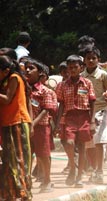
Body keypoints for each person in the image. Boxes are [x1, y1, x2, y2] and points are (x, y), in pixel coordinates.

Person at [55, 55, 96, 187]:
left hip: (84, 117)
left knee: (82, 146)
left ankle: (79, 176)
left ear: (81, 68)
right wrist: (57, 123)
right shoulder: (62, 85)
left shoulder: (87, 83)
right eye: (70, 67)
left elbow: (92, 102)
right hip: (70, 117)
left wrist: (92, 121)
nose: (72, 70)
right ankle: (72, 167)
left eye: (75, 67)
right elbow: (61, 104)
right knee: (69, 142)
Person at [0, 55, 32, 200]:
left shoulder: (14, 78)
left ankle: (24, 193)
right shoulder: (5, 79)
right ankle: (11, 194)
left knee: (19, 160)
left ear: (5, 70)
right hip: (7, 123)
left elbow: (7, 100)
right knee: (8, 160)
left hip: (17, 122)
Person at [81, 45, 107, 184]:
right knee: (88, 143)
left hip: (100, 110)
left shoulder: (103, 74)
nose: (91, 61)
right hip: (85, 111)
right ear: (84, 60)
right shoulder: (81, 76)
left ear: (98, 60)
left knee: (99, 141)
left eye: (94, 58)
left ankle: (100, 170)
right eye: (88, 58)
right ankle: (94, 169)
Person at [24, 58, 57, 193]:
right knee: (27, 154)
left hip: (41, 127)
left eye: (31, 68)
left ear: (40, 73)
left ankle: (47, 180)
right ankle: (27, 181)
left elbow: (46, 109)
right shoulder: (24, 89)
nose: (27, 70)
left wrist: (33, 124)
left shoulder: (45, 91)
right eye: (26, 68)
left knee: (43, 154)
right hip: (25, 126)